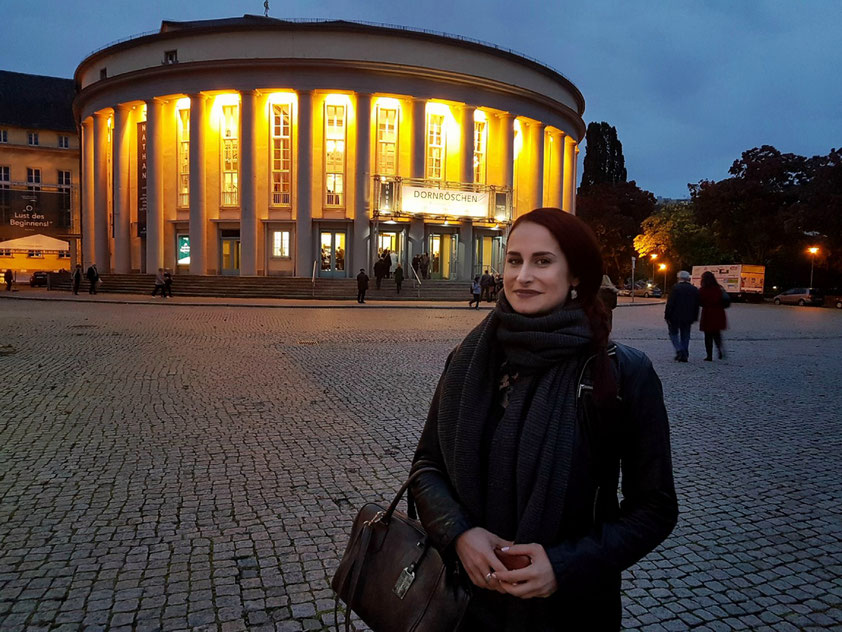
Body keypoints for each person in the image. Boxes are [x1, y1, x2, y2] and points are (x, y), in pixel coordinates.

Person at [410, 208, 677, 631]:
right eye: (514, 260)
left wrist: (563, 566)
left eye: (543, 261)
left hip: (569, 609)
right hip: (463, 604)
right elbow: (427, 467)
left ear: (575, 275)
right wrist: (459, 534)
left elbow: (656, 508)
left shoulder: (623, 372)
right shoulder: (468, 361)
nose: (523, 276)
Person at [664, 270, 700, 362]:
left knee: (673, 334)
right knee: (685, 335)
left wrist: (667, 315)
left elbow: (670, 303)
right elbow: (697, 305)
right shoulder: (694, 289)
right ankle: (685, 352)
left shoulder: (675, 288)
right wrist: (695, 316)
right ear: (688, 278)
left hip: (675, 316)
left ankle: (679, 349)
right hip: (688, 316)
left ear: (679, 278)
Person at [699, 271, 727, 361]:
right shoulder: (719, 288)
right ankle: (719, 350)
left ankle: (709, 355)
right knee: (717, 334)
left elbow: (700, 301)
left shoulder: (703, 290)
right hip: (718, 313)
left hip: (708, 313)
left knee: (708, 336)